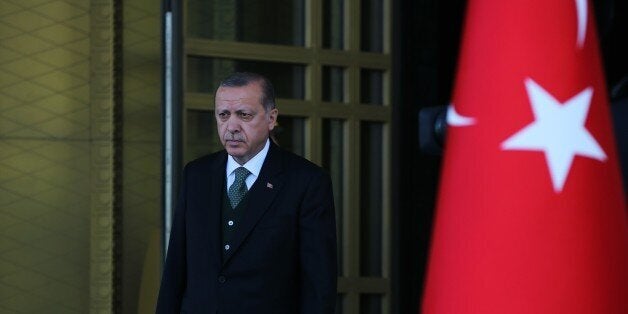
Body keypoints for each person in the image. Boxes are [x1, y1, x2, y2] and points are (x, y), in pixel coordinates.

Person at [156, 72, 337, 314]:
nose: (231, 126)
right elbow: (176, 267)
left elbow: (318, 282)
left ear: (271, 118)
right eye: (223, 115)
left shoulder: (306, 181)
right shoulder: (197, 175)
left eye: (244, 115)